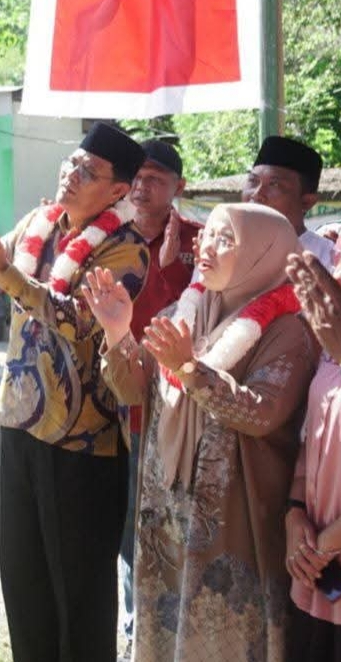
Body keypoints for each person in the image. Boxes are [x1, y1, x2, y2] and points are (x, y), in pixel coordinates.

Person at [82, 203, 319, 662]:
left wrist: (190, 368)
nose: (206, 247)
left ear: (262, 253)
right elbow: (137, 391)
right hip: (167, 516)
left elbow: (262, 413)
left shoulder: (288, 331)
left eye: (225, 239)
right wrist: (117, 333)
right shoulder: (186, 309)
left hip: (231, 525)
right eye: (207, 234)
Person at [0, 120, 149, 662]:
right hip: (19, 423)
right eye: (72, 162)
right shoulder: (41, 221)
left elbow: (79, 320)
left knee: (79, 596)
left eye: (89, 171)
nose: (71, 173)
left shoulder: (127, 250)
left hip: (83, 443)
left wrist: (4, 270)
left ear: (116, 192)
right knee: (23, 579)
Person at [118, 139, 202, 652]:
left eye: (155, 178)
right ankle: (134, 630)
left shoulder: (200, 242)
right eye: (138, 177)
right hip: (110, 405)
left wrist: (172, 268)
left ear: (179, 187)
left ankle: (156, 633)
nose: (143, 186)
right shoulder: (109, 236)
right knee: (121, 528)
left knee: (161, 530)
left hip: (171, 413)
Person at [285, 249, 341, 662]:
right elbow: (312, 442)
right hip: (318, 574)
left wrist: (324, 544)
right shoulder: (333, 340)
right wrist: (294, 515)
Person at [244, 135, 334, 269]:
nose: (257, 194)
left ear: (306, 202)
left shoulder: (329, 259)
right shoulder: (221, 250)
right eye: (253, 181)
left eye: (274, 184)